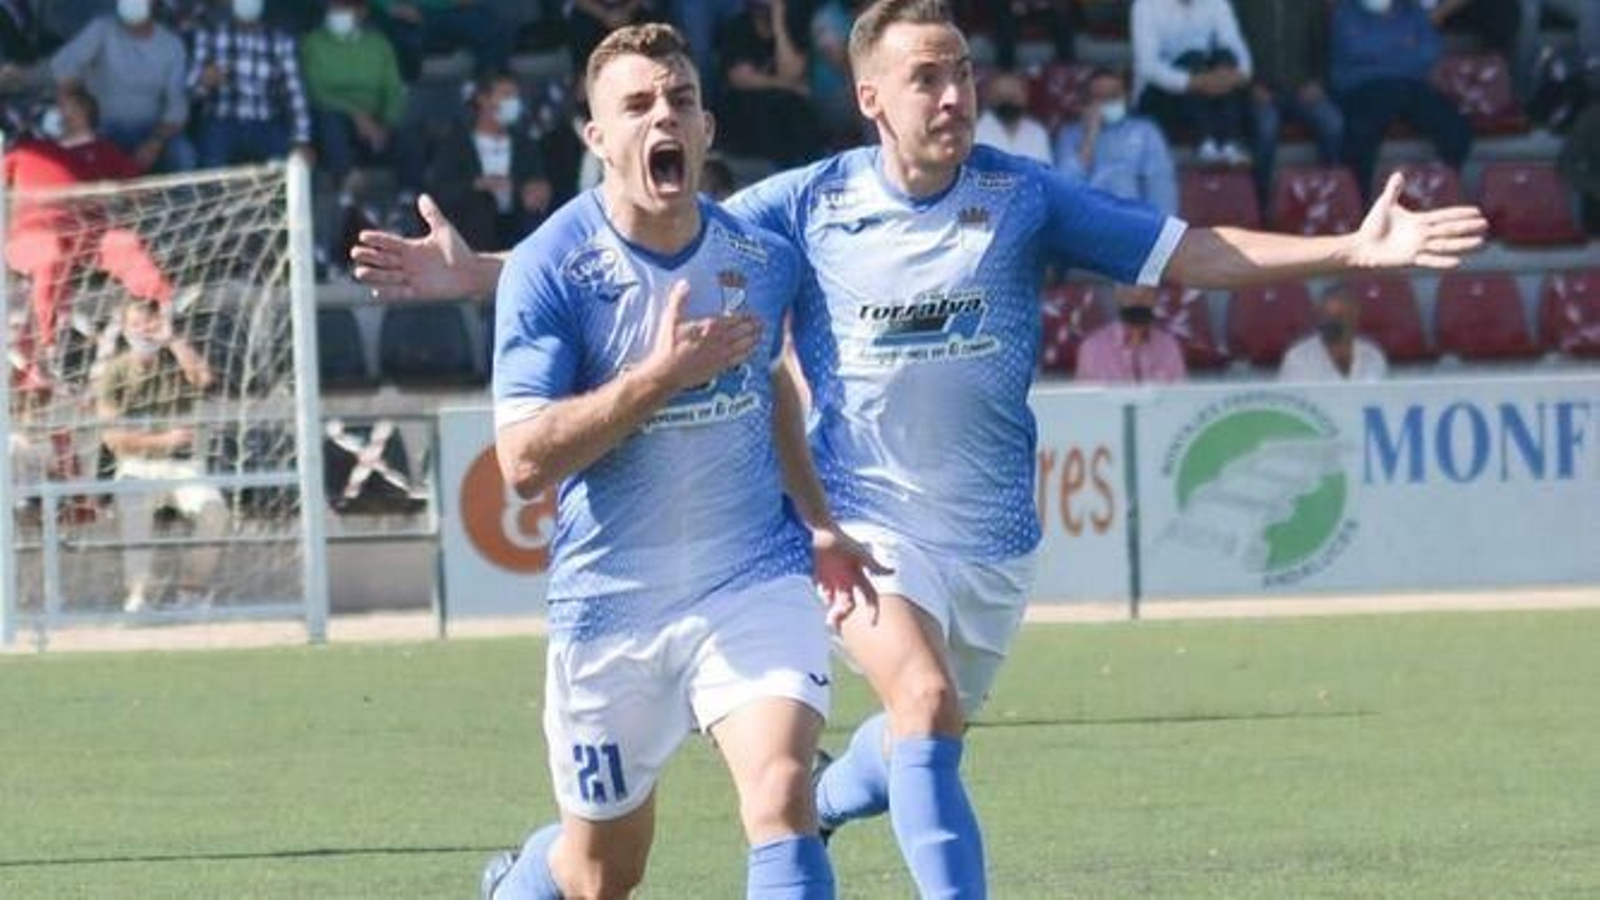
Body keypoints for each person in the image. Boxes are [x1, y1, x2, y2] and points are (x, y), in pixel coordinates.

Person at [351, 3, 1486, 893]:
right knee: (912, 707)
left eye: (964, 74)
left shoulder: (1021, 196)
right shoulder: (813, 202)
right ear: (871, 100)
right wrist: (486, 274)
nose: (954, 95)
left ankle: (846, 801)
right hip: (857, 527)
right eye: (927, 78)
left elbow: (1193, 252)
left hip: (989, 542)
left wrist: (1349, 244)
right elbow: (641, 249)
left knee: (902, 744)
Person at [467, 24, 879, 899]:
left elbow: (773, 390)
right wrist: (660, 376)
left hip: (749, 579)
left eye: (680, 100)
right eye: (639, 104)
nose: (665, 116)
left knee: (783, 790)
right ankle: (523, 882)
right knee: (600, 876)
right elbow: (523, 464)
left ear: (706, 130)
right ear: (599, 139)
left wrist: (817, 523)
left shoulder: (759, 260)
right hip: (611, 609)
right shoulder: (550, 270)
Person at [3, 86, 170, 371]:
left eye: (63, 106)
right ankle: (48, 345)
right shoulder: (29, 149)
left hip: (87, 232)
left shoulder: (100, 150)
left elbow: (139, 190)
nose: (55, 112)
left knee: (124, 242)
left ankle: (164, 314)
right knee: (48, 252)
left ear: (83, 113)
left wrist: (111, 191)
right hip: (35, 235)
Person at [95, 297, 227, 613]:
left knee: (214, 510)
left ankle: (190, 592)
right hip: (137, 465)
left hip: (183, 466)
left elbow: (204, 380)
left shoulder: (175, 360)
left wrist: (174, 341)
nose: (144, 331)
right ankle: (140, 595)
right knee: (133, 507)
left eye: (149, 323)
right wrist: (162, 440)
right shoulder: (113, 372)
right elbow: (113, 439)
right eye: (136, 324)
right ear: (125, 330)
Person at [1329, 0, 1472, 200]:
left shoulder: (1412, 11)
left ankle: (1441, 192)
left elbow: (1429, 52)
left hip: (1409, 84)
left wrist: (1379, 51)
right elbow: (1353, 49)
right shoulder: (1346, 13)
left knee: (1457, 130)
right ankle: (1360, 205)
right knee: (1360, 134)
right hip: (1364, 86)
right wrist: (1401, 47)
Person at [49, 0, 195, 173]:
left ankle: (183, 201)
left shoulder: (172, 45)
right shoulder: (102, 29)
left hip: (150, 128)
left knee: (183, 154)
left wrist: (155, 142)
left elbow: (176, 105)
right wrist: (74, 103)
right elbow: (63, 64)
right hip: (102, 126)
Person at [426, 71, 553, 251]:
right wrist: (477, 185)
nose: (513, 102)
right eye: (506, 95)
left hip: (517, 221)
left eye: (515, 96)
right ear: (483, 99)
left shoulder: (524, 143)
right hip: (474, 227)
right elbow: (440, 190)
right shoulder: (456, 143)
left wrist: (537, 191)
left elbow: (538, 179)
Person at [1233, 0, 1343, 207]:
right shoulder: (1245, 4)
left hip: (1301, 90)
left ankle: (1328, 197)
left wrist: (1317, 82)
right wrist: (1251, 85)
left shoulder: (1310, 4)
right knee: (1266, 128)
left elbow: (1323, 46)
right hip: (1261, 91)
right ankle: (1261, 202)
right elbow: (1232, 48)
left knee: (1333, 123)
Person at [299, 0, 416, 194]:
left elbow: (393, 91)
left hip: (374, 122)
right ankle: (347, 191)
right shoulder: (312, 43)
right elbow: (314, 90)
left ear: (361, 11)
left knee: (408, 133)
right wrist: (354, 115)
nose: (337, 11)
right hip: (333, 117)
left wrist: (385, 125)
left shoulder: (379, 45)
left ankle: (409, 199)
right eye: (333, 6)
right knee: (330, 123)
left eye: (344, 6)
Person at [187, 0, 313, 167]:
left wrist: (302, 140)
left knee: (287, 171)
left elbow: (295, 94)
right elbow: (190, 91)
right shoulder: (210, 35)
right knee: (212, 172)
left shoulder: (281, 41)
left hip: (267, 123)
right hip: (222, 121)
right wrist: (204, 82)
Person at [1130, 0, 1254, 166]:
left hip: (1206, 90)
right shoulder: (1145, 5)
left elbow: (1234, 43)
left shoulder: (1218, 3)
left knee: (1226, 57)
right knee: (1192, 58)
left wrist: (1239, 74)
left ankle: (1228, 143)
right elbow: (1148, 66)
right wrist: (1192, 81)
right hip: (1159, 98)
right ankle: (1205, 143)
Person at [1054, 67, 1178, 215]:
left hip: (1135, 223)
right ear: (1087, 102)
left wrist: (1162, 229)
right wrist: (1090, 135)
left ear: (1125, 96)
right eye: (1100, 97)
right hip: (1088, 225)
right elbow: (1064, 190)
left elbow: (1161, 185)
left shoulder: (1146, 131)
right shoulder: (1070, 134)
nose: (1107, 101)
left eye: (1113, 95)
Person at [719, 0, 827, 168]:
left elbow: (792, 72)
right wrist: (787, 86)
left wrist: (779, 25)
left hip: (786, 109)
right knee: (762, 108)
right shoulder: (737, 28)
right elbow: (740, 78)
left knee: (797, 109)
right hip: (748, 109)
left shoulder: (792, 25)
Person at [368, 0, 512, 82]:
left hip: (444, 9)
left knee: (493, 27)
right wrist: (390, 6)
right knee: (407, 40)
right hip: (396, 14)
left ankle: (489, 97)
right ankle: (406, 106)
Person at [1075, 284, 1187, 383]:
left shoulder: (1169, 346)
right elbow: (1085, 403)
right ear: (1118, 296)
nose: (1138, 301)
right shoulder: (1092, 348)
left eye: (1146, 294)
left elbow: (1178, 400)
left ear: (1155, 298)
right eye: (1131, 294)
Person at [1279, 285, 1388, 381]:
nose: (1332, 323)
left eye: (1339, 317)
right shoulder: (1298, 357)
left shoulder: (1373, 356)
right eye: (1327, 317)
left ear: (1354, 317)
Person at [973, 70, 1051, 164]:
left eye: (1013, 96)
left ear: (1024, 97)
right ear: (990, 97)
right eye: (1001, 97)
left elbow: (1046, 173)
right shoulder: (975, 132)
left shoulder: (1037, 133)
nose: (1008, 102)